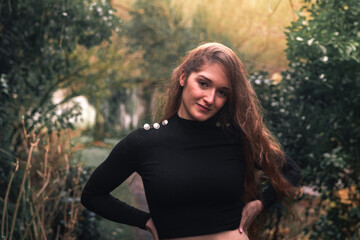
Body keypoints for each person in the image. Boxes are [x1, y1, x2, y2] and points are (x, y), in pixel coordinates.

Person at [81, 42, 302, 240]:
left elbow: (291, 171)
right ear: (183, 77)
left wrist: (260, 203)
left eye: (222, 92)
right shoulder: (144, 142)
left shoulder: (236, 138)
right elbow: (93, 195)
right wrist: (145, 221)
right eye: (204, 83)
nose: (210, 99)